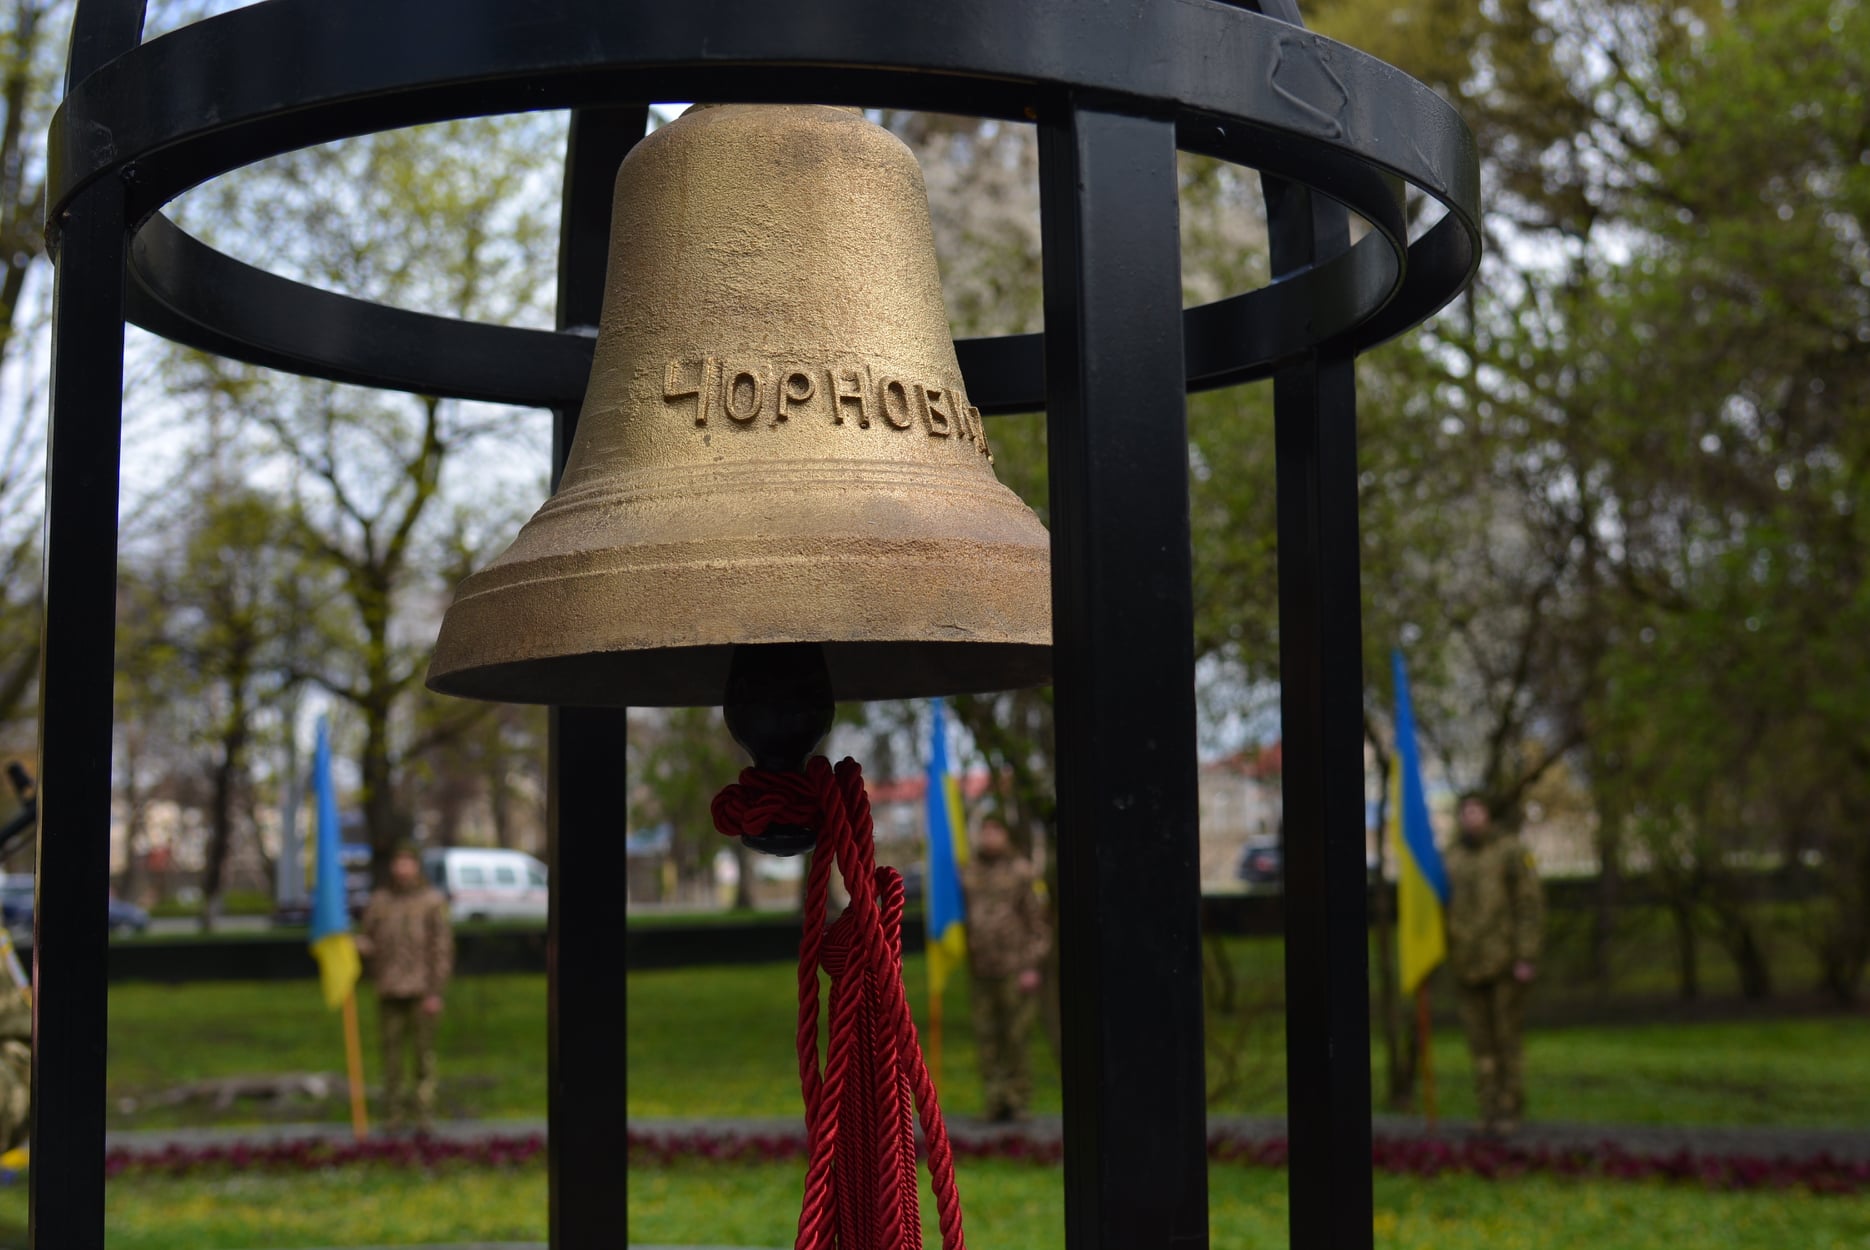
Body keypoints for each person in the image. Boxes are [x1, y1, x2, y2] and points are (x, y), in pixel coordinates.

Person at [1443, 794, 1545, 1137]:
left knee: (1506, 1042)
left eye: (1476, 810)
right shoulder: (1452, 858)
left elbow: (1529, 905)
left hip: (1504, 962)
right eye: (1465, 812)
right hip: (1466, 964)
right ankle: (1487, 1108)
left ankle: (1509, 1109)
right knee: (1480, 1046)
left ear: (1488, 813)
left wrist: (1526, 955)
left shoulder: (1510, 851)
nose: (1471, 817)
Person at [357, 843, 454, 1134]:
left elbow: (442, 949)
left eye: (407, 862)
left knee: (423, 1058)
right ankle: (393, 1116)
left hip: (422, 990)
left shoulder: (432, 901)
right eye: (397, 862)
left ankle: (424, 1115)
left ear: (416, 866)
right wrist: (351, 946)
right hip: (388, 989)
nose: (402, 868)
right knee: (391, 1058)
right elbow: (369, 940)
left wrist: (436, 991)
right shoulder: (380, 901)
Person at [959, 816, 1050, 1123]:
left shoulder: (1022, 871)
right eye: (984, 831)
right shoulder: (969, 872)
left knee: (1015, 1036)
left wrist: (1031, 965)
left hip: (1015, 967)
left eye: (995, 831)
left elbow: (1038, 922)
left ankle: (1018, 1100)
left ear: (1006, 836)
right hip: (982, 968)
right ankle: (995, 1101)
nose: (989, 837)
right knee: (987, 1037)